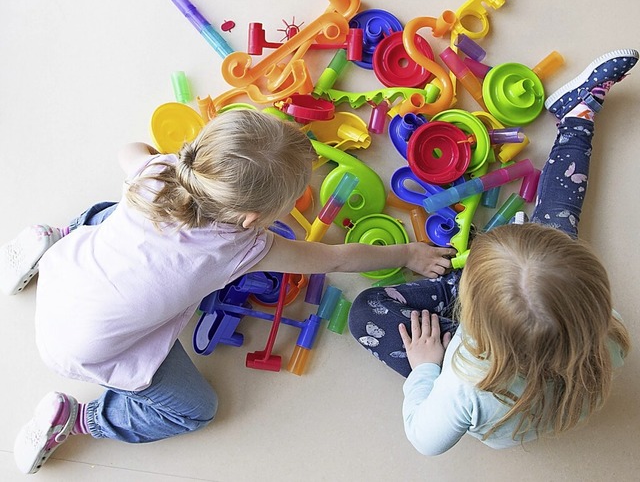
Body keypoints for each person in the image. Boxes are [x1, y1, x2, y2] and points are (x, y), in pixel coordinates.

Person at [1, 109, 456, 474]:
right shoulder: (245, 247)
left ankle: (54, 236)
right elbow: (336, 258)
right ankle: (83, 419)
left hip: (67, 274)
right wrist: (410, 254)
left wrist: (163, 159)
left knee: (115, 211)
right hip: (92, 354)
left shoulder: (161, 171)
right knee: (196, 410)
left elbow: (129, 151)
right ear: (252, 220)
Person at [348, 49, 638, 455]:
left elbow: (424, 439)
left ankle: (458, 297)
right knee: (556, 230)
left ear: (471, 315)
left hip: (477, 367)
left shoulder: (466, 385)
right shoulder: (605, 333)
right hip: (529, 328)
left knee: (363, 312)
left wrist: (427, 369)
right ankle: (577, 117)